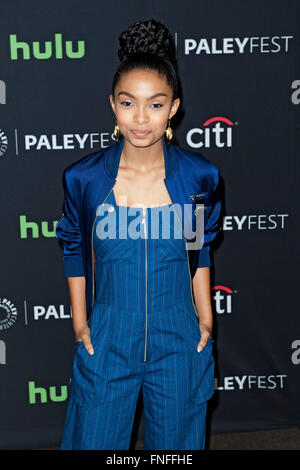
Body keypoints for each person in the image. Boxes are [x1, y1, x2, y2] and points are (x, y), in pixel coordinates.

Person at [55, 18, 222, 450]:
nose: (141, 119)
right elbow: (73, 247)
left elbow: (197, 249)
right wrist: (80, 324)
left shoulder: (197, 177)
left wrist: (204, 320)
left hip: (179, 334)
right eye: (129, 103)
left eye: (155, 104)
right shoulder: (85, 179)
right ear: (113, 105)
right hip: (109, 334)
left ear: (174, 108)